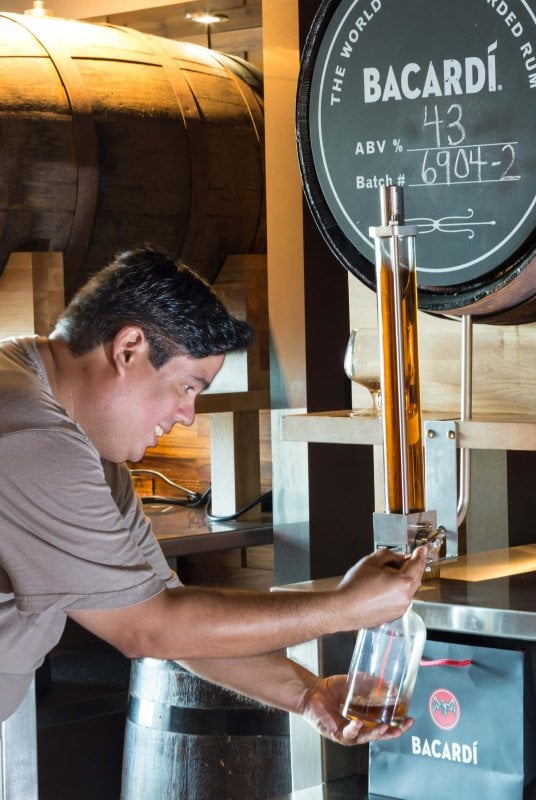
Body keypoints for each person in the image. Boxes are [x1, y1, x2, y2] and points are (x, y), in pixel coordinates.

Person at [0, 245, 425, 744]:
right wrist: (346, 609)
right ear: (129, 348)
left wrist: (305, 694)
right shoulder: (33, 435)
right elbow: (147, 628)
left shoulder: (79, 437)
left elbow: (169, 612)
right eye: (186, 387)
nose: (187, 416)